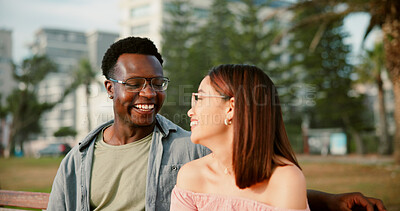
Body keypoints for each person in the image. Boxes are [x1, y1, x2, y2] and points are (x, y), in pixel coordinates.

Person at [47, 36, 386, 211]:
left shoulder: (188, 148)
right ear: (110, 88)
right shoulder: (76, 162)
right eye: (135, 83)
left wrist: (328, 201)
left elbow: (245, 184)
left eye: (157, 83)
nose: (148, 93)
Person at [171, 64, 309, 210]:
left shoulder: (285, 180)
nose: (190, 112)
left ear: (230, 108)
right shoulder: (191, 176)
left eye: (200, 98)